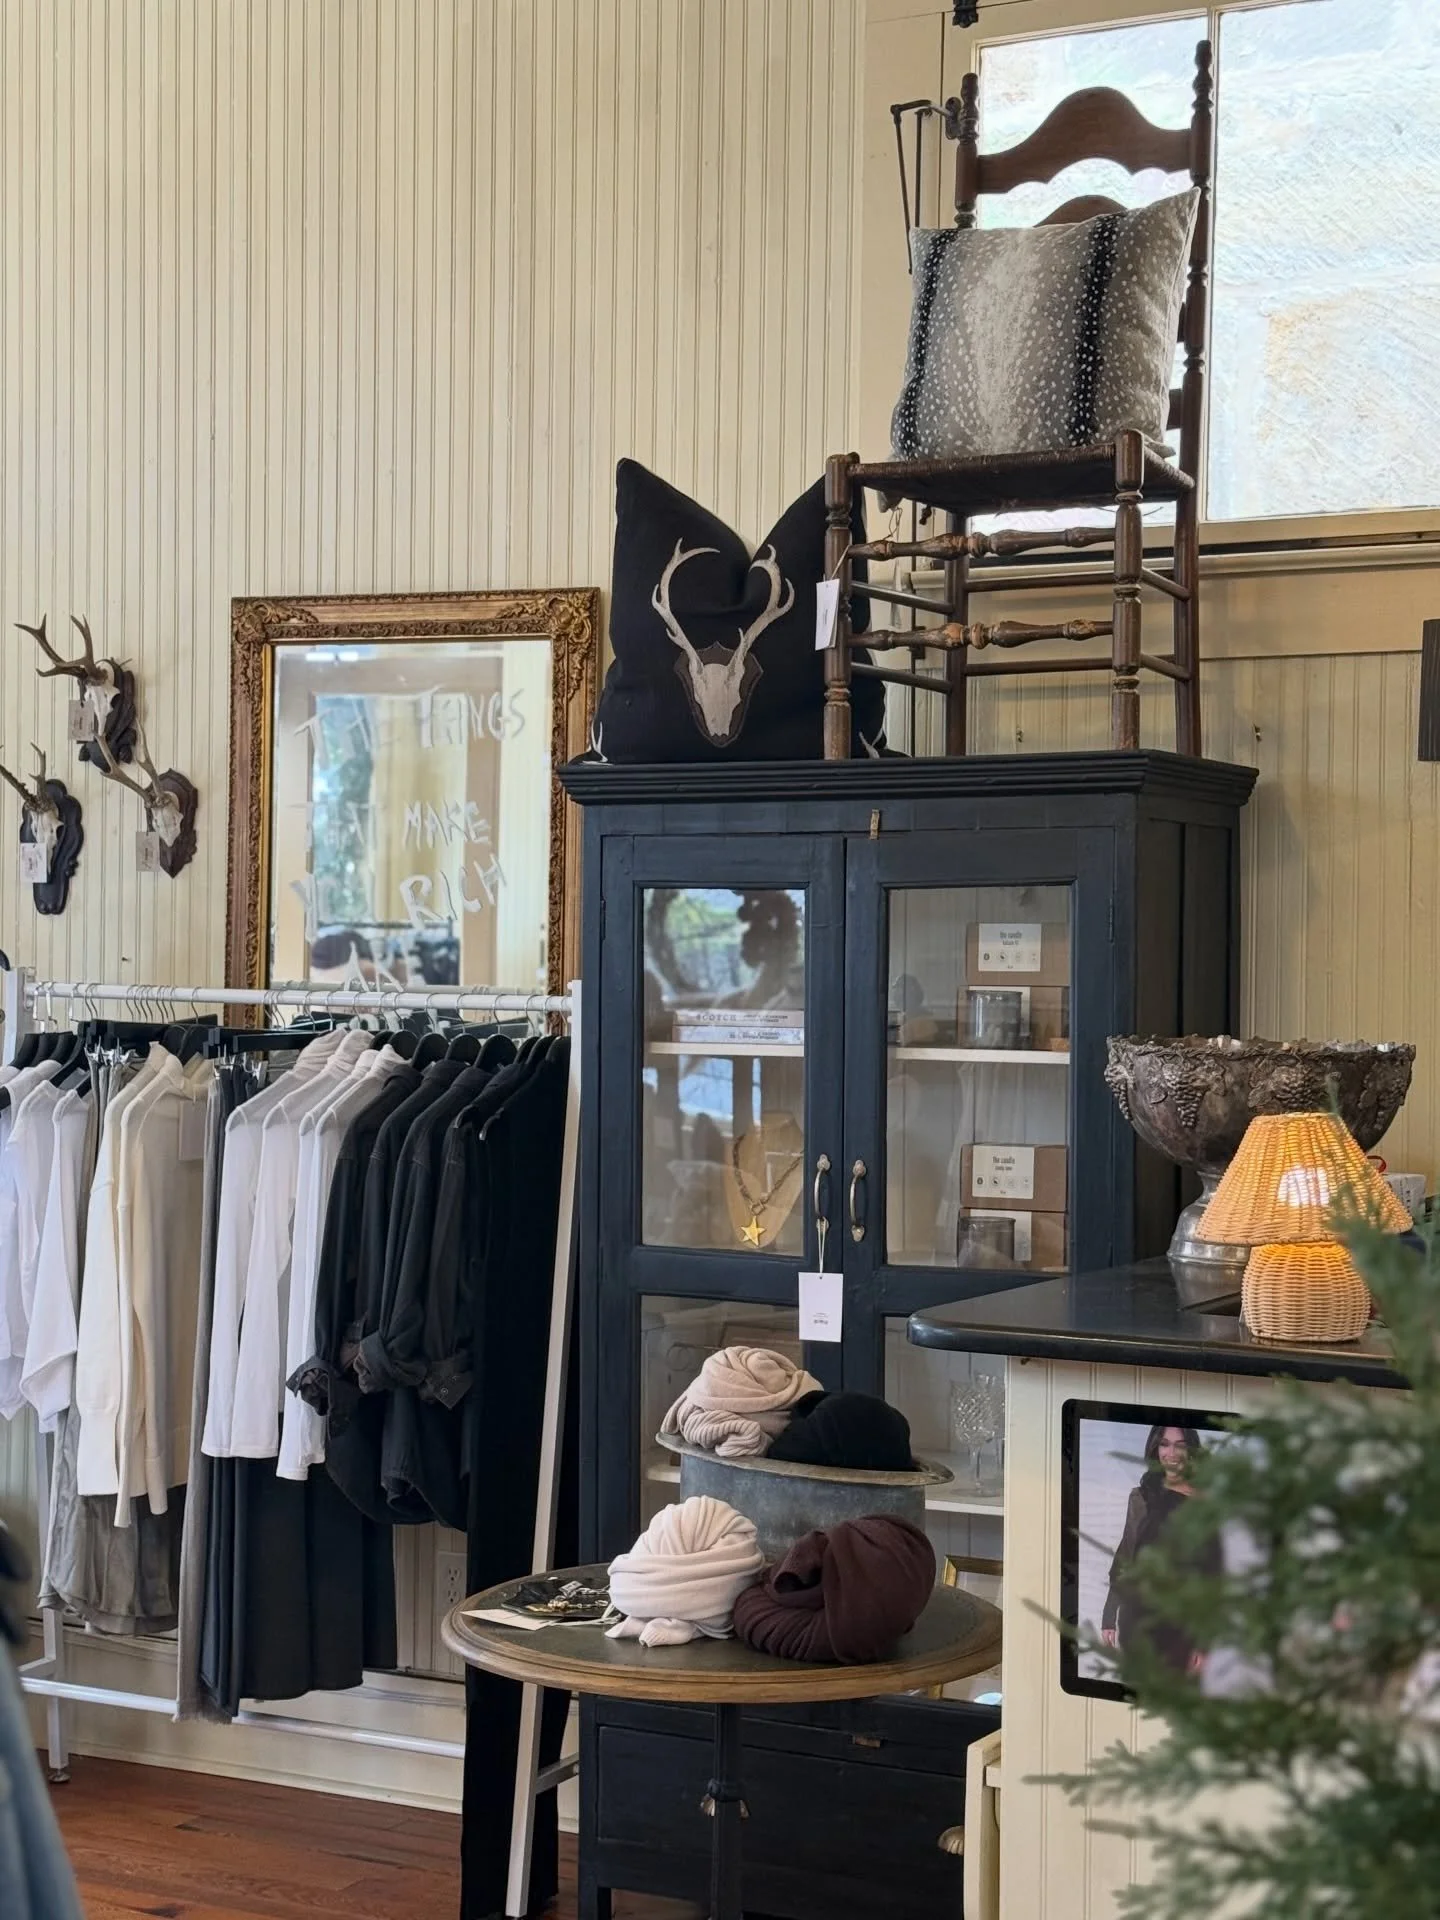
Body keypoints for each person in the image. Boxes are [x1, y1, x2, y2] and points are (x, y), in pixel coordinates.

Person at [1101, 1424, 1221, 1676]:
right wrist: (1109, 1615)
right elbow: (1125, 1557)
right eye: (1164, 1444)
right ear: (1155, 1448)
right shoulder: (1141, 1497)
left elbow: (1213, 1574)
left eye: (1180, 1445)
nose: (1171, 1453)